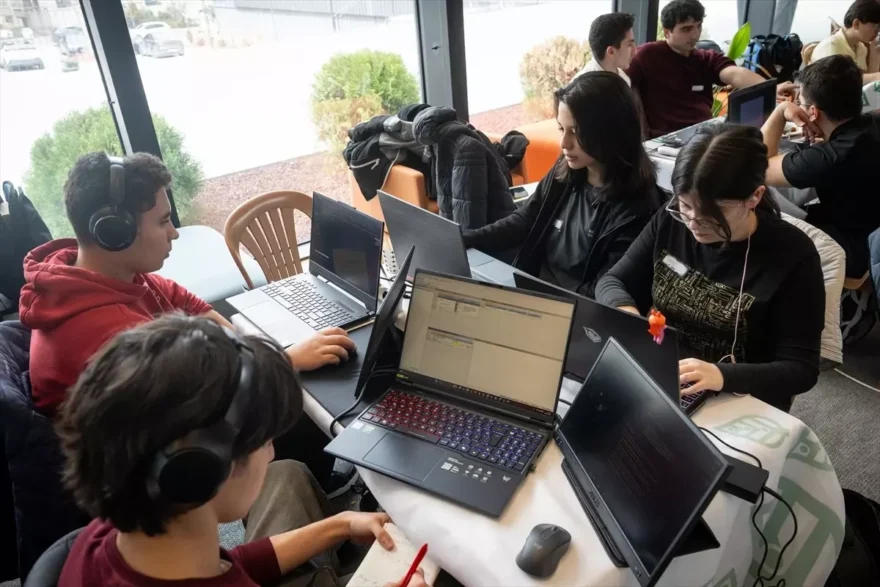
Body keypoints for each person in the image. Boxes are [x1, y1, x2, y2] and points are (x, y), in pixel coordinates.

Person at [56, 315, 430, 587]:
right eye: (263, 441)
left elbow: (231, 563)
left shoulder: (102, 539)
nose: (270, 454)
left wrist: (339, 525)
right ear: (199, 471)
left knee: (287, 473)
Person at [20, 151, 356, 414]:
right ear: (115, 231)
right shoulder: (109, 334)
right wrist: (285, 360)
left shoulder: (98, 276)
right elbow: (200, 396)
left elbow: (187, 303)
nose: (174, 233)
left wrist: (251, 356)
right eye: (163, 221)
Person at [596, 125, 825, 412]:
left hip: (739, 394)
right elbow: (611, 281)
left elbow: (801, 369)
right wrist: (629, 316)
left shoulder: (793, 255)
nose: (693, 224)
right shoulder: (671, 221)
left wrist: (720, 375)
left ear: (754, 196)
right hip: (665, 373)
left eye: (712, 215)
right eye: (685, 206)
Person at [463, 72, 662, 297]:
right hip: (533, 290)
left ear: (610, 131)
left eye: (575, 132)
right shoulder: (566, 170)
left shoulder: (639, 209)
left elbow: (603, 290)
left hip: (573, 307)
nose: (564, 143)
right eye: (561, 129)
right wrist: (468, 238)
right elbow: (526, 220)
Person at [761, 55, 880, 278]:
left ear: (813, 113)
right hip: (871, 228)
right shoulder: (873, 121)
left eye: (801, 103)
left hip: (853, 249)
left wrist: (780, 111)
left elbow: (760, 167)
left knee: (765, 225)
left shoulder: (828, 158)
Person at [627, 0, 795, 138]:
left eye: (698, 26)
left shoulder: (705, 58)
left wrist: (770, 88)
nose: (695, 35)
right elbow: (619, 83)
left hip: (705, 134)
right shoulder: (647, 54)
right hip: (667, 140)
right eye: (686, 29)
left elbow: (733, 74)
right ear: (666, 32)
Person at [811, 0, 880, 84]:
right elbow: (839, 83)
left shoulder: (861, 48)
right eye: (876, 26)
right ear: (856, 24)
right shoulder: (831, 46)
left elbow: (869, 84)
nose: (877, 32)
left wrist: (875, 53)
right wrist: (877, 76)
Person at [576, 12, 636, 86]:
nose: (635, 51)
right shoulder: (583, 88)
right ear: (611, 52)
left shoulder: (623, 79)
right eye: (629, 45)